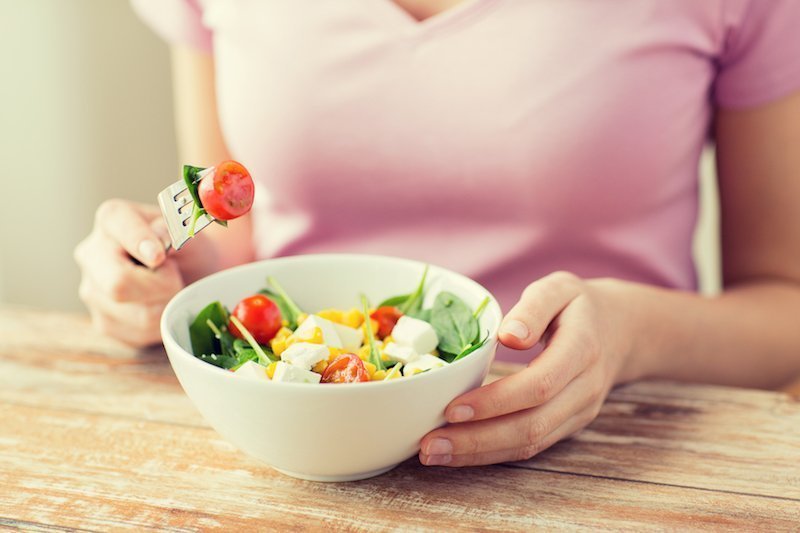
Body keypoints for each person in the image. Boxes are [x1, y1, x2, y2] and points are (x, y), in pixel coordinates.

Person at [75, 0, 800, 468]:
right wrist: (161, 274)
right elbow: (234, 249)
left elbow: (786, 307)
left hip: (619, 464)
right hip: (294, 466)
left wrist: (632, 336)